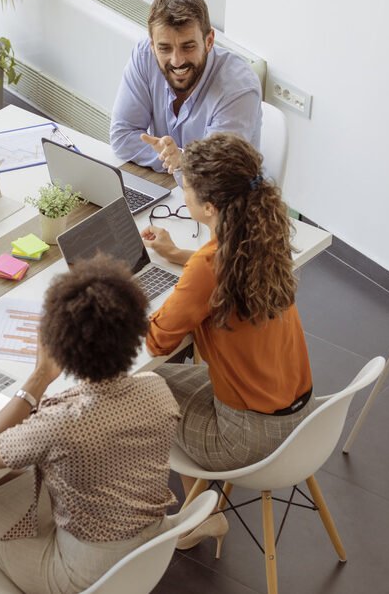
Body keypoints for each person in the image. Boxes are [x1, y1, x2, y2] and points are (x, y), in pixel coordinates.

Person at [0, 256, 179, 594]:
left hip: (81, 576)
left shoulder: (62, 424)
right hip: (146, 549)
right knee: (9, 477)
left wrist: (40, 376)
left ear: (61, 346)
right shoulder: (156, 388)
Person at [142, 132, 314, 553]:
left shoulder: (208, 267)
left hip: (248, 436)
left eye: (185, 185)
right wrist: (182, 257)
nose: (181, 188)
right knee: (171, 381)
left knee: (136, 394)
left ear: (209, 207)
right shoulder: (265, 238)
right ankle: (203, 513)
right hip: (301, 414)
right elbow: (220, 266)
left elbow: (157, 340)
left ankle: (194, 516)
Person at [110, 0, 261, 175]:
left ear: (209, 41)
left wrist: (182, 161)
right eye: (164, 48)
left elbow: (216, 175)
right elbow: (122, 136)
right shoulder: (144, 55)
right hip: (171, 187)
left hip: (223, 199)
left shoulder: (238, 87)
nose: (177, 61)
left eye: (188, 47)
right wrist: (179, 162)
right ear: (152, 46)